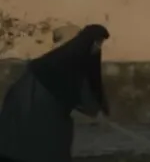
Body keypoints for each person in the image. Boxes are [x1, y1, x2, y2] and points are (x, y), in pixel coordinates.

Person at [0, 24, 111, 162]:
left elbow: (93, 83)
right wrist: (95, 111)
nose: (98, 47)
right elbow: (80, 88)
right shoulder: (71, 58)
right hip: (34, 98)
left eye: (100, 43)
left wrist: (101, 110)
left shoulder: (79, 58)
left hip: (45, 101)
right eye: (97, 42)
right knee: (43, 138)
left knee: (53, 138)